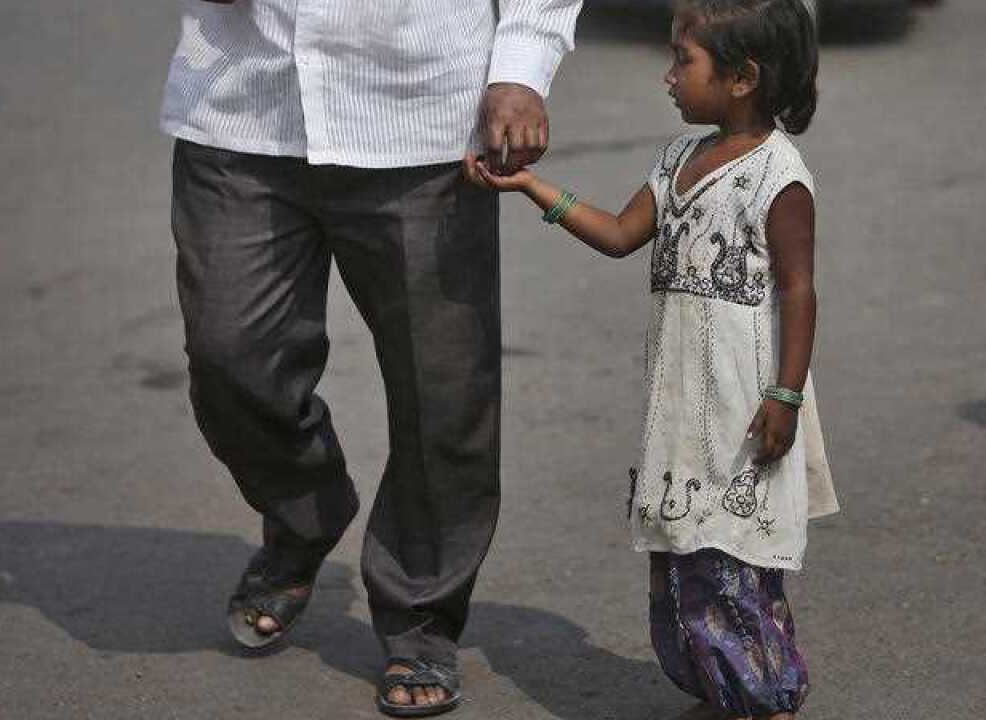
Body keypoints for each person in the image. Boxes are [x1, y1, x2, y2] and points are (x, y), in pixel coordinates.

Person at [159, 1, 582, 716]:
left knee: (441, 394)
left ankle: (421, 614)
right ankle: (304, 514)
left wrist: (520, 69)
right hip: (241, 108)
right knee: (230, 357)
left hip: (421, 119)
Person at [464, 0, 838, 717]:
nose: (668, 78)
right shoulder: (679, 159)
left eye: (683, 61)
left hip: (743, 405)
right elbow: (616, 233)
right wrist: (531, 188)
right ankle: (719, 692)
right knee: (683, 558)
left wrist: (785, 397)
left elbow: (798, 290)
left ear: (741, 78)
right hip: (681, 406)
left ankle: (765, 698)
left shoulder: (778, 177)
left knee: (731, 562)